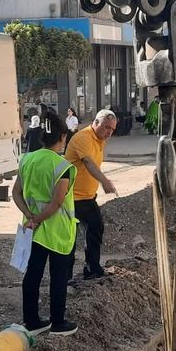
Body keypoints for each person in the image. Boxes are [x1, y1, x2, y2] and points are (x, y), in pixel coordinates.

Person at [12, 111, 79, 336]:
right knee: (58, 276)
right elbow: (56, 203)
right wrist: (38, 219)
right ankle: (58, 322)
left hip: (34, 231)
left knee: (33, 274)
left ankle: (31, 321)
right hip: (57, 232)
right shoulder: (62, 166)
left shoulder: (27, 159)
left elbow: (16, 193)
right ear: (62, 137)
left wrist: (30, 217)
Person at [65, 110, 118, 280]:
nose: (109, 132)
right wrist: (104, 181)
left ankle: (92, 269)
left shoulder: (99, 139)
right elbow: (88, 161)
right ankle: (65, 277)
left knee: (95, 227)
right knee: (70, 238)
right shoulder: (83, 137)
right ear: (95, 122)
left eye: (112, 129)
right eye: (106, 127)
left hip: (87, 197)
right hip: (72, 198)